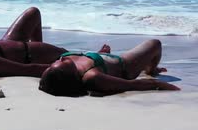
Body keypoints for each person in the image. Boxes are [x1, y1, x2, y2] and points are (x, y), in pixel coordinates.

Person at [39, 39, 180, 96]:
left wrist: (100, 54)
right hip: (124, 66)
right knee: (155, 44)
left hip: (100, 58)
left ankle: (148, 67)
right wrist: (161, 84)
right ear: (68, 74)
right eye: (62, 63)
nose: (62, 58)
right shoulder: (92, 76)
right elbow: (131, 85)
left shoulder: (58, 69)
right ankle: (151, 70)